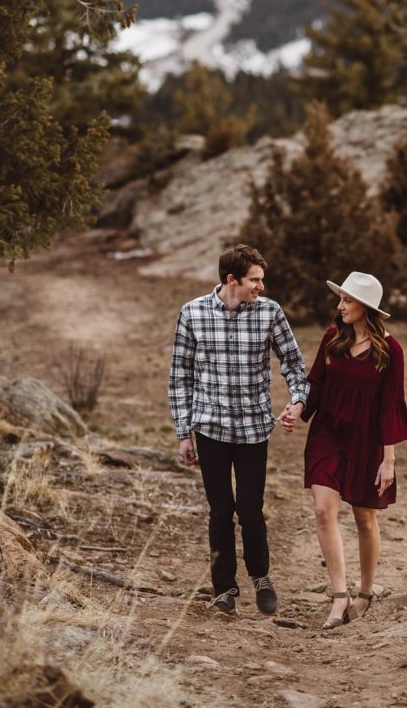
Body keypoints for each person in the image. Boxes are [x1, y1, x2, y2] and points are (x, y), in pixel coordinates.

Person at [168, 243, 308, 616]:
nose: (261, 287)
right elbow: (179, 376)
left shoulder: (269, 313)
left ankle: (261, 578)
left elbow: (294, 364)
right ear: (232, 280)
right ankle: (223, 588)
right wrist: (184, 432)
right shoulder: (193, 313)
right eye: (255, 280)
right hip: (210, 428)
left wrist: (297, 402)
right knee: (219, 511)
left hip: (253, 429)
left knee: (250, 509)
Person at [298, 271, 407, 629]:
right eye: (341, 299)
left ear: (365, 307)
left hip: (367, 443)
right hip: (327, 435)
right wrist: (296, 409)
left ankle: (364, 593)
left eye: (347, 300)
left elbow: (392, 406)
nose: (340, 305)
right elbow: (314, 383)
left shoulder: (390, 351)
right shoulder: (333, 338)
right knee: (322, 510)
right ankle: (338, 596)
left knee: (365, 519)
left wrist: (388, 459)